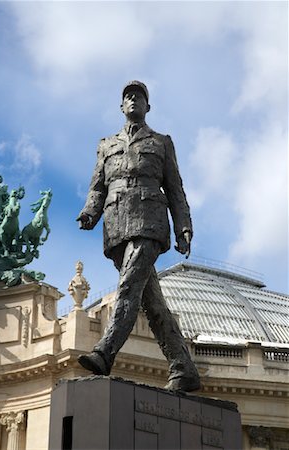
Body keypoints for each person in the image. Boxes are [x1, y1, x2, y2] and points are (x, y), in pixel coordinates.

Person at [77, 81, 200, 392]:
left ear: (148, 106)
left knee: (129, 287)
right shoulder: (106, 145)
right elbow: (97, 187)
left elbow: (175, 188)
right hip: (116, 224)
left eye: (139, 96)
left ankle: (105, 353)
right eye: (128, 96)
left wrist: (184, 226)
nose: (133, 99)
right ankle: (183, 367)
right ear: (122, 106)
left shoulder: (161, 142)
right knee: (152, 303)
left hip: (149, 221)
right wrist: (90, 212)